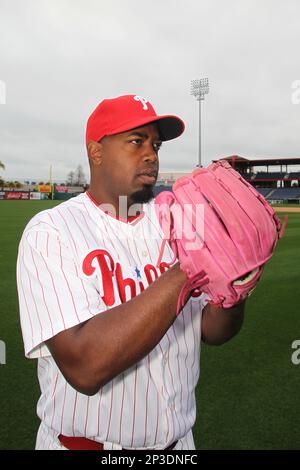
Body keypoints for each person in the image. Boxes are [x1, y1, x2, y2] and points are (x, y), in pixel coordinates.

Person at [16, 94, 245, 451]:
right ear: (96, 151)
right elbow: (86, 367)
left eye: (155, 144)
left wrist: (235, 291)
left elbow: (213, 332)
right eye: (136, 141)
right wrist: (191, 263)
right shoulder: (52, 232)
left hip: (180, 446)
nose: (151, 154)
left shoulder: (176, 223)